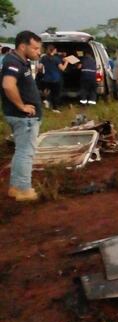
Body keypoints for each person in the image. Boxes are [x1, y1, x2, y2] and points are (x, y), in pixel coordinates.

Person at [1, 31, 44, 202]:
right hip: (23, 118)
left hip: (24, 118)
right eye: (35, 48)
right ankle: (23, 189)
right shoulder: (13, 62)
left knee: (22, 152)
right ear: (22, 46)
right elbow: (8, 85)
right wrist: (21, 106)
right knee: (25, 153)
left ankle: (16, 187)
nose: (38, 52)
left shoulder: (20, 61)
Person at [39, 45, 68, 113]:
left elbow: (39, 67)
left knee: (48, 91)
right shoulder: (56, 59)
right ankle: (55, 108)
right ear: (54, 50)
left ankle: (47, 100)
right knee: (56, 94)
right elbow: (62, 68)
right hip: (56, 79)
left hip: (46, 78)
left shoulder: (44, 58)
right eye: (56, 49)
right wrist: (67, 62)